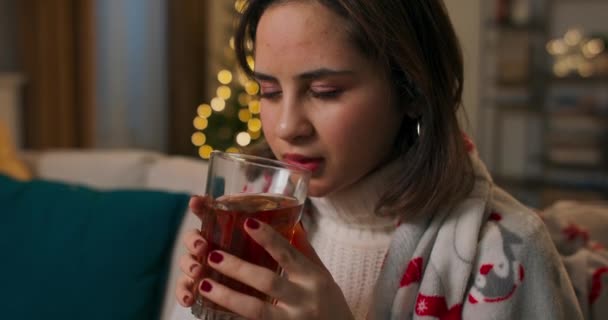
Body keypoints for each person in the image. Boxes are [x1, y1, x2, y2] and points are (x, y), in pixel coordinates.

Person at [174, 0, 588, 319]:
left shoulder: (509, 250)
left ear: (411, 91)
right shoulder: (255, 222)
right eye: (269, 92)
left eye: (324, 90)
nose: (286, 127)